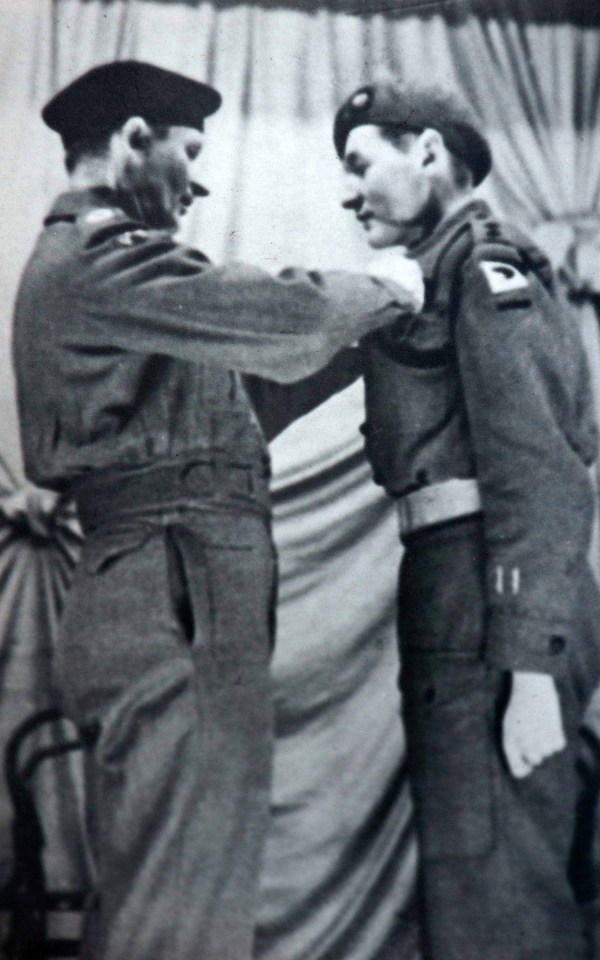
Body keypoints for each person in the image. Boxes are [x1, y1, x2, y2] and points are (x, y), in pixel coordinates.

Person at [11, 61, 424, 960]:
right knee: (183, 898)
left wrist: (357, 339)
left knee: (182, 875)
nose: (197, 179)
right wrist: (390, 288)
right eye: (186, 152)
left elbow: (236, 402)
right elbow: (264, 314)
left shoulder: (119, 290)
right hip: (174, 586)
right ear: (130, 143)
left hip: (173, 585)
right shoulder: (99, 260)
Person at [334, 79, 600, 960]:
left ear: (428, 152)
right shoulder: (434, 271)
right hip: (456, 586)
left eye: (361, 163)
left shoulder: (485, 265)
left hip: (491, 598)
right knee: (472, 879)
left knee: (500, 893)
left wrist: (529, 667)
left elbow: (538, 471)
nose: (349, 190)